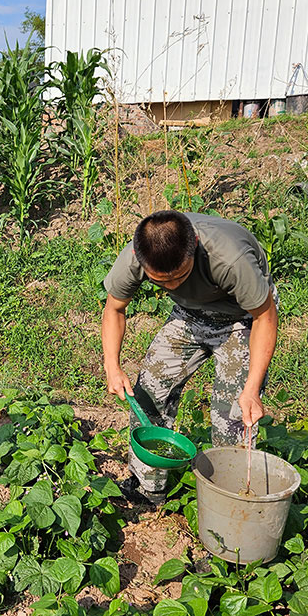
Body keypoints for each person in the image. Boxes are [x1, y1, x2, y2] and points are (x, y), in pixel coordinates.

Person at [101, 210, 277, 504]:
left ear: (194, 245)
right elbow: (114, 309)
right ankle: (148, 487)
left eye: (179, 277)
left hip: (243, 318)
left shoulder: (229, 258)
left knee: (234, 418)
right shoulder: (134, 256)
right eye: (161, 281)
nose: (171, 286)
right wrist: (111, 365)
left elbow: (265, 317)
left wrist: (252, 388)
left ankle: (228, 508)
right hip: (187, 316)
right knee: (148, 393)